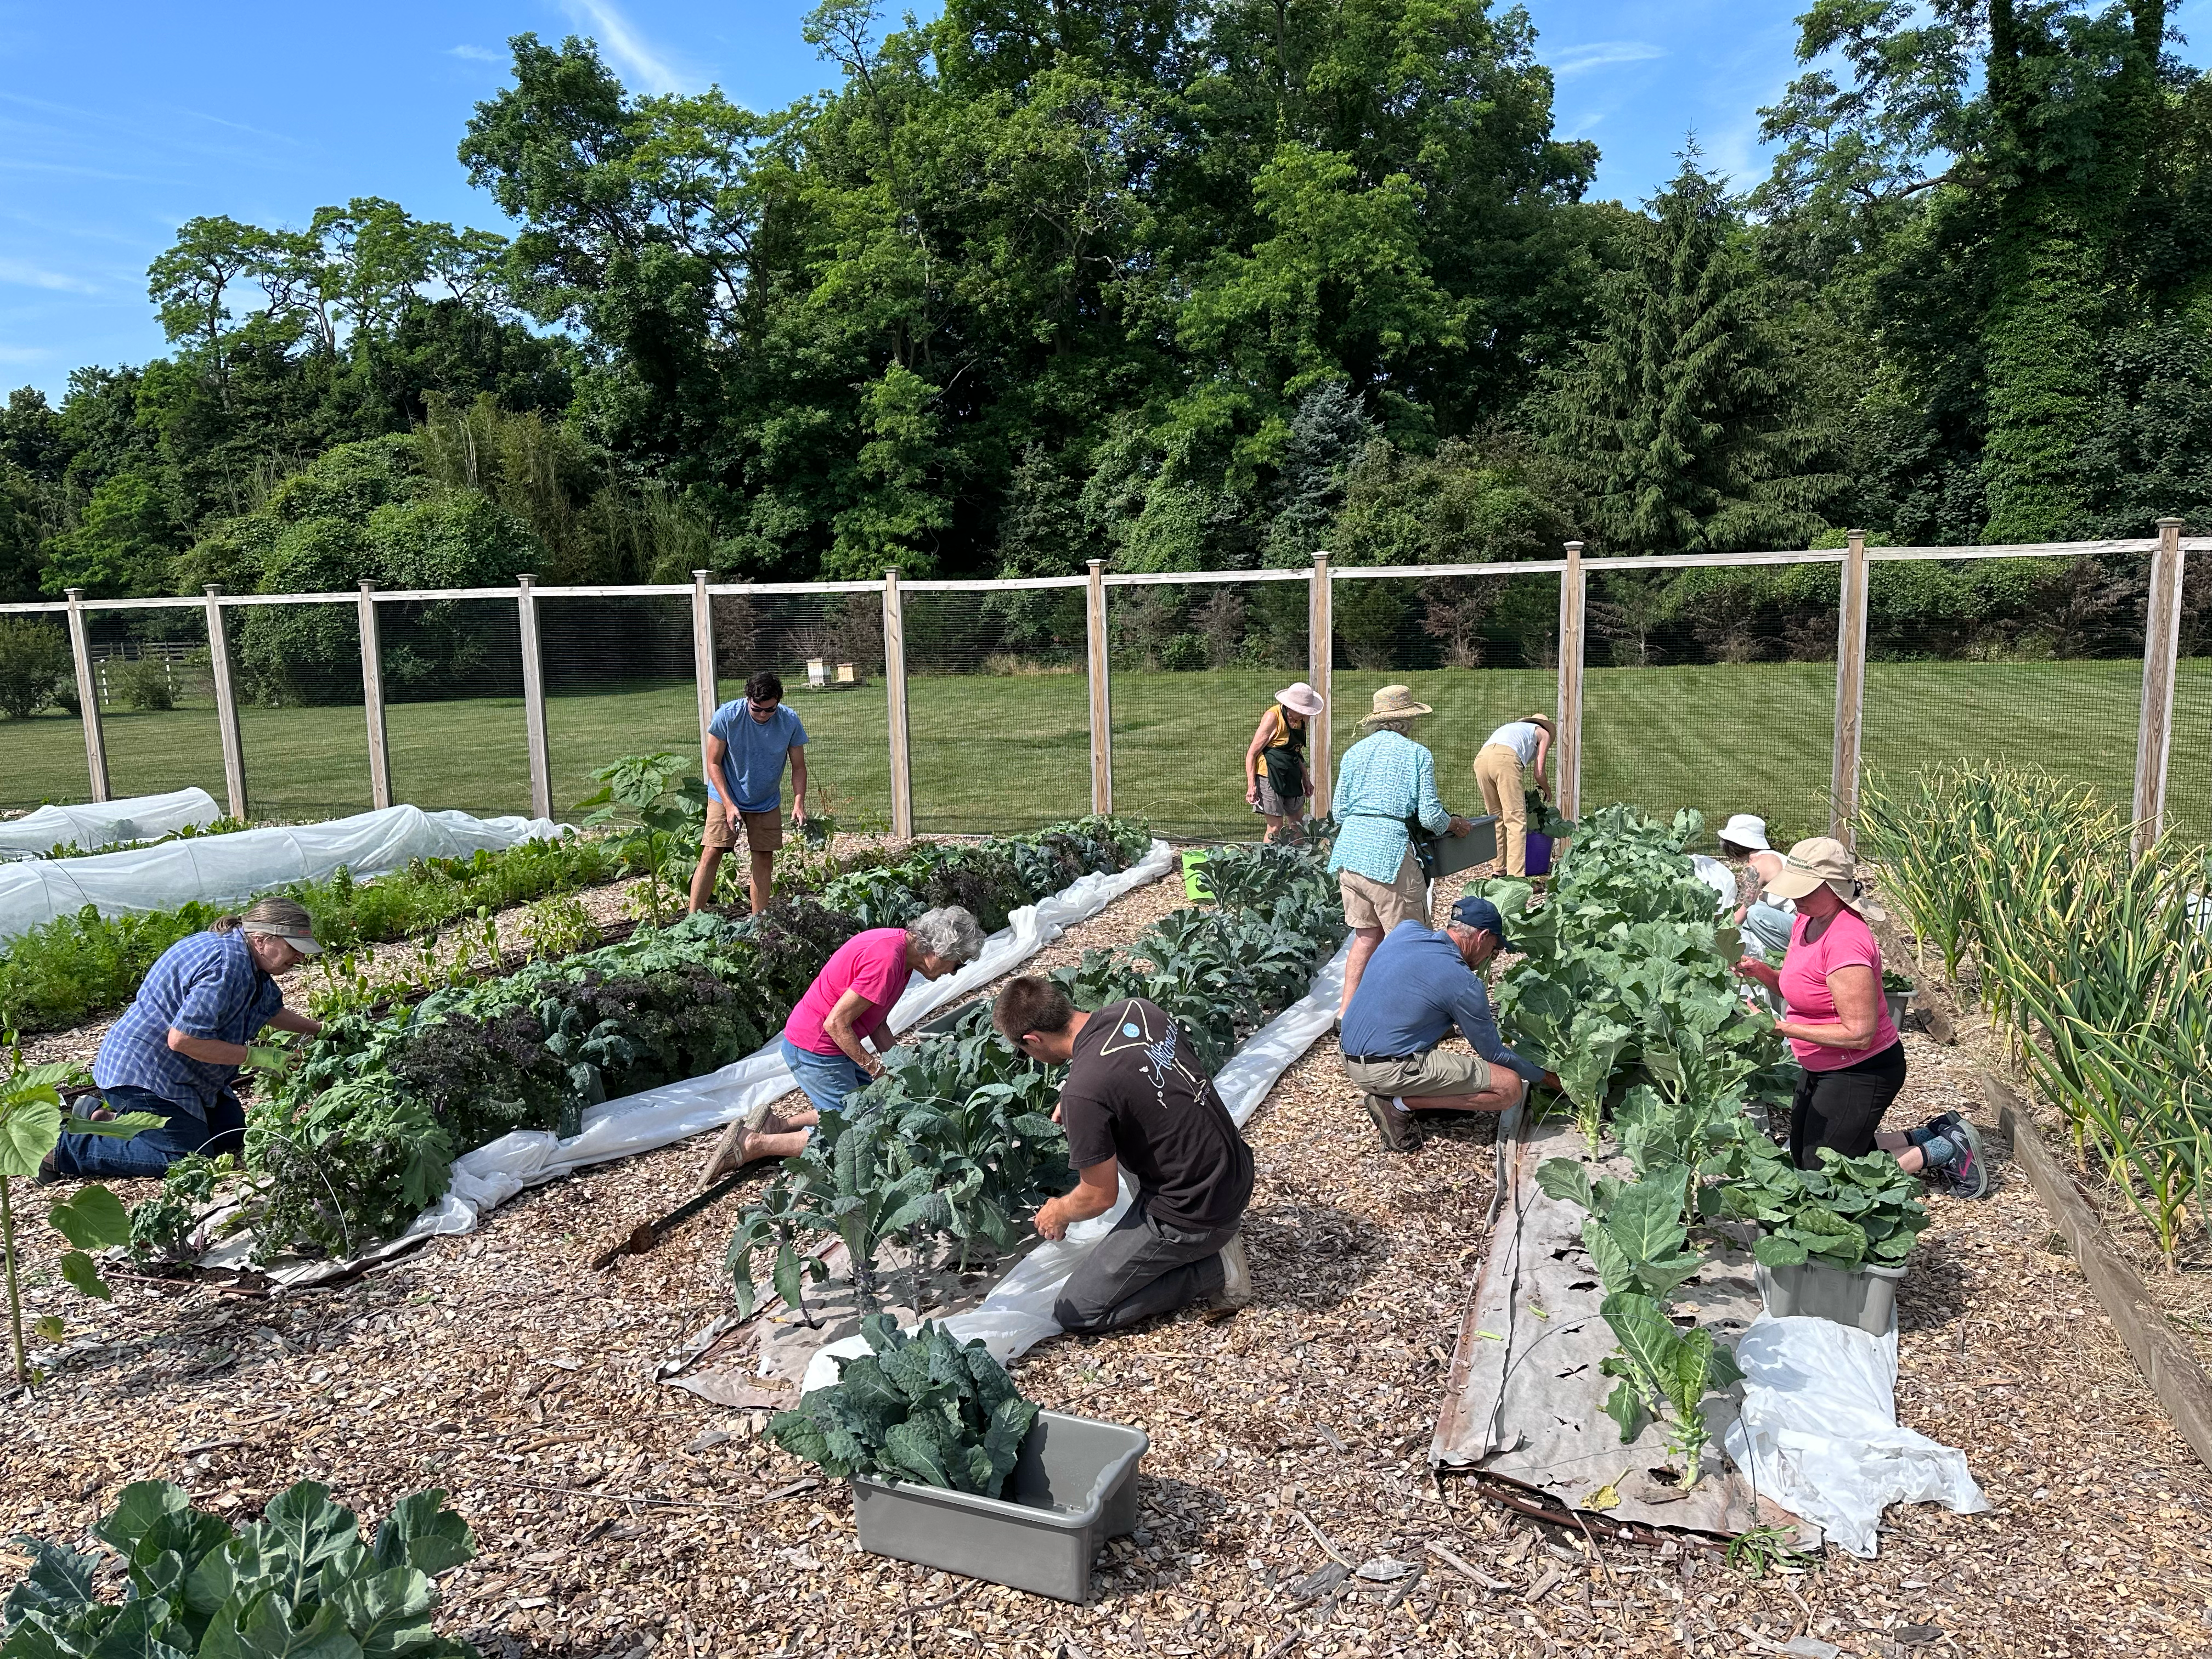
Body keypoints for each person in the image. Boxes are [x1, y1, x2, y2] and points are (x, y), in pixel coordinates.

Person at [994, 976, 1254, 1333]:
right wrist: (1082, 1098)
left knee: (1078, 1312)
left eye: (1023, 1051)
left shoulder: (1085, 1093)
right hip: (1233, 1168)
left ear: (1032, 1040)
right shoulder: (1138, 1011)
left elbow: (1099, 1197)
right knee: (1122, 1131)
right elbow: (1135, 1072)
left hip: (1195, 1212)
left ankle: (1216, 1272)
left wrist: (1059, 1211)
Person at [1733, 838, 1987, 1197]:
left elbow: (1859, 1033)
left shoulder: (1846, 942)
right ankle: (1930, 1133)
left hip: (1861, 1068)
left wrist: (1777, 1027)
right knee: (1805, 1153)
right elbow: (1803, 990)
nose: (1795, 898)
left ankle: (1945, 1150)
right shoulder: (1808, 919)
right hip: (1823, 1063)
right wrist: (1761, 971)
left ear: (1835, 889)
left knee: (1827, 1176)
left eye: (1806, 889)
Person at [696, 905, 988, 1185]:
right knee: (851, 1137)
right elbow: (835, 1024)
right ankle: (753, 1144)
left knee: (876, 1105)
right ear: (939, 951)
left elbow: (876, 1022)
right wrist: (874, 1066)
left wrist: (902, 1069)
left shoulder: (901, 954)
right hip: (815, 1048)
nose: (954, 972)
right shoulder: (887, 960)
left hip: (830, 1045)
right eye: (957, 963)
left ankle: (781, 1126)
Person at [41, 898, 325, 1181]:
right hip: (145, 1076)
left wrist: (319, 1030)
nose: (300, 958)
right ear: (262, 938)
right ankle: (60, 1151)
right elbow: (184, 1040)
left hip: (183, 1072)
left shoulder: (244, 955)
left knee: (231, 1132)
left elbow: (269, 1009)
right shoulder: (228, 965)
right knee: (188, 1159)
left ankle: (107, 1121)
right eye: (294, 948)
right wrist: (255, 1056)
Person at [1339, 896, 1560, 1153]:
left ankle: (1420, 1097)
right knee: (1509, 1087)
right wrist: (1546, 1077)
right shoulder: (1463, 983)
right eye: (1495, 948)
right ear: (1483, 936)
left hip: (1349, 1054)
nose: (1493, 955)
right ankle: (1397, 1104)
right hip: (1382, 1069)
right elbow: (1494, 1054)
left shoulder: (1405, 931)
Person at [1328, 685, 1477, 1017]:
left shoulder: (1353, 753)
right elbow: (1430, 816)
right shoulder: (1416, 754)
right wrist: (1455, 824)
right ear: (1406, 721)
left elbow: (1338, 811)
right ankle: (1409, 1017)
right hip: (1388, 856)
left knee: (1366, 936)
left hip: (1349, 854)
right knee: (1409, 943)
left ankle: (1345, 1012)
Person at [689, 670, 809, 916]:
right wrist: (729, 805)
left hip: (766, 801)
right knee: (712, 851)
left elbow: (799, 767)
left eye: (770, 709)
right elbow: (713, 763)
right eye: (757, 709)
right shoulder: (728, 716)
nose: (763, 715)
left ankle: (759, 923)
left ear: (778, 702)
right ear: (748, 700)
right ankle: (691, 920)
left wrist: (799, 803)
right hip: (726, 795)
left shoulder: (789, 721)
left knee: (764, 857)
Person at [1473, 714, 1554, 879]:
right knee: (1516, 820)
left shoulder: (1514, 728)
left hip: (1481, 760)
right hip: (1505, 760)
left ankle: (1498, 869)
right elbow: (1539, 773)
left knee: (1496, 817)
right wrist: (1547, 790)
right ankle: (1516, 878)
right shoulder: (1543, 733)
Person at [1243, 682, 1323, 842]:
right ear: (1289, 706)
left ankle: (1299, 863)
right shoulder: (1273, 717)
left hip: (1291, 771)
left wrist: (1306, 779)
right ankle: (1268, 864)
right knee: (1275, 827)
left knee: (1298, 825)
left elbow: (1296, 750)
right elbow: (1252, 754)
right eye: (1301, 711)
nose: (1304, 715)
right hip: (1269, 773)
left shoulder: (1302, 719)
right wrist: (1252, 786)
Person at [1717, 812, 1793, 957]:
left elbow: (1739, 914)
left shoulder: (1756, 867)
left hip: (1803, 927)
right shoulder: (1775, 857)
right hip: (1805, 922)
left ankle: (1786, 957)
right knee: (1751, 917)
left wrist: (1715, 939)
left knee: (1755, 915)